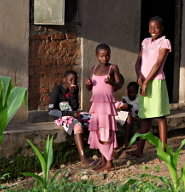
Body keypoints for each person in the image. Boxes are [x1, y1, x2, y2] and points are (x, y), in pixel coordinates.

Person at [127, 16, 171, 157]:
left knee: (159, 116)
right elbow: (139, 60)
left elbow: (158, 64)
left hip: (156, 82)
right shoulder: (145, 42)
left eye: (156, 27)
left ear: (162, 29)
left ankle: (163, 151)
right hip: (143, 82)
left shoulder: (165, 42)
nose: (153, 30)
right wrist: (139, 75)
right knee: (145, 117)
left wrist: (146, 82)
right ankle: (140, 149)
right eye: (151, 28)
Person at [85, 44, 123, 172]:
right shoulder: (93, 69)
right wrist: (88, 84)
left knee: (106, 132)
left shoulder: (113, 68)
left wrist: (111, 83)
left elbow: (120, 84)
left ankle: (109, 163)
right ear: (97, 56)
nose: (105, 58)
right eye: (102, 56)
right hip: (96, 105)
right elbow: (90, 88)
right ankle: (103, 161)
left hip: (107, 106)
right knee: (98, 131)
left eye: (107, 55)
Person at [49, 70, 93, 167]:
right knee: (76, 124)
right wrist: (71, 113)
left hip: (71, 114)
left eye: (75, 80)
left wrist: (73, 95)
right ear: (64, 80)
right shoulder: (57, 90)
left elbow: (75, 107)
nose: (73, 82)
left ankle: (104, 151)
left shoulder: (74, 89)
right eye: (70, 80)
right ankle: (83, 158)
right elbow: (51, 111)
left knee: (93, 118)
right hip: (59, 117)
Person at [116, 82, 140, 149]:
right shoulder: (125, 99)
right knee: (128, 117)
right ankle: (128, 141)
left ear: (136, 93)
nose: (130, 94)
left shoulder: (139, 100)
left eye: (132, 93)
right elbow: (124, 108)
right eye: (129, 92)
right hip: (129, 115)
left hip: (134, 116)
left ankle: (129, 140)